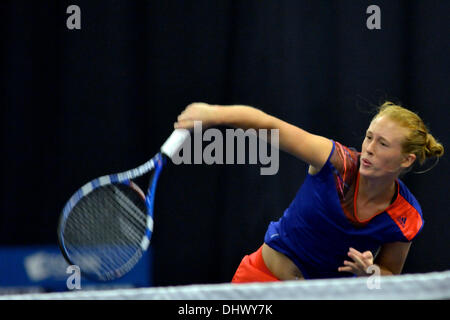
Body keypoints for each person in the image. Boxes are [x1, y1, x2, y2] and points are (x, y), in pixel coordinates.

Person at [173, 101, 444, 281]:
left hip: (324, 296)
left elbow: (390, 275)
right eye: (369, 136)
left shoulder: (406, 216)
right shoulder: (336, 162)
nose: (369, 148)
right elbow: (270, 127)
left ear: (406, 159)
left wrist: (370, 272)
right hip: (263, 281)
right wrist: (214, 114)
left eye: (383, 143)